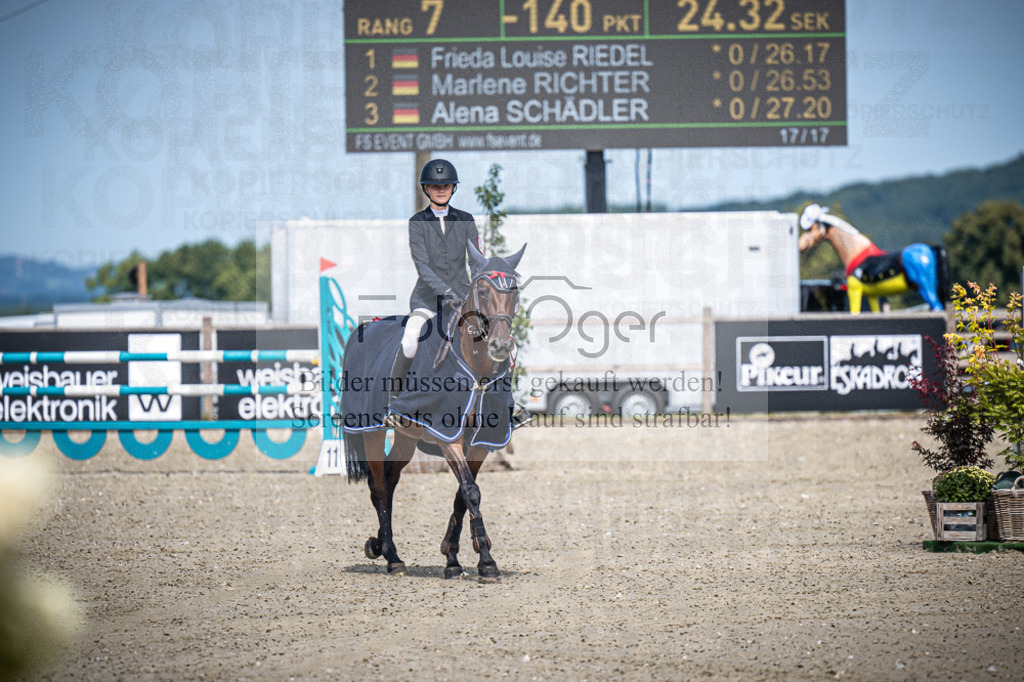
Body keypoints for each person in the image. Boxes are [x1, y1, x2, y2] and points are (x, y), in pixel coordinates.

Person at [389, 159, 480, 402]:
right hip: (427, 301)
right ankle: (395, 400)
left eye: (446, 185)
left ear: (453, 188)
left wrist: (476, 290)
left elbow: (475, 261)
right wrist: (446, 291)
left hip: (463, 299)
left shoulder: (467, 220)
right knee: (410, 340)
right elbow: (423, 267)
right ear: (426, 189)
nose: (441, 190)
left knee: (495, 337)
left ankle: (502, 400)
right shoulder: (417, 223)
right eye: (435, 186)